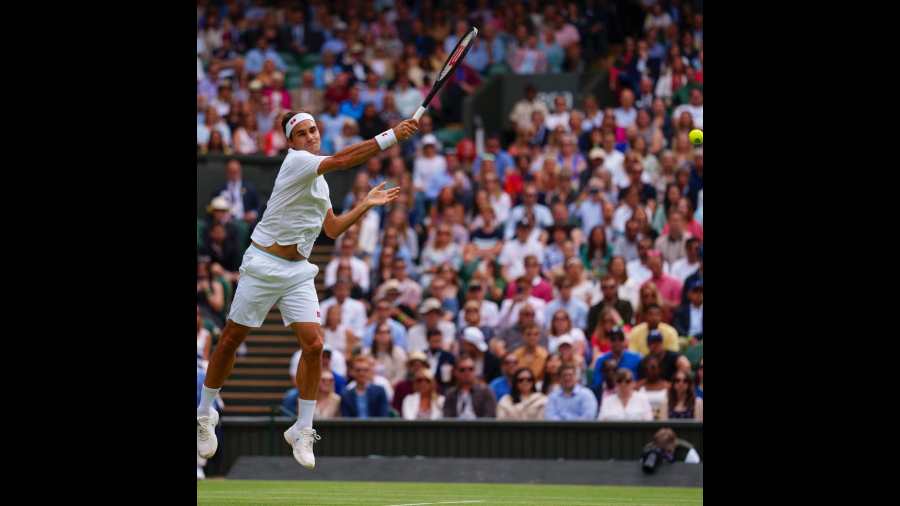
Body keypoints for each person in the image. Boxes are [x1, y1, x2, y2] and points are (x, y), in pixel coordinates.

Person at [197, 110, 419, 469]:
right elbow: (346, 159)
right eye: (302, 133)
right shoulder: (298, 162)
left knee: (314, 344)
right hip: (263, 265)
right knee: (230, 339)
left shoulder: (319, 181)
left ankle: (302, 428)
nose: (311, 136)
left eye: (314, 130)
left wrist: (364, 205)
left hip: (298, 269)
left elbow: (330, 229)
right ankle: (205, 413)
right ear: (291, 142)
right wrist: (392, 135)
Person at [211, 159, 261, 226]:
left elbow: (258, 206)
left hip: (245, 222)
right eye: (231, 172)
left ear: (240, 172)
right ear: (227, 172)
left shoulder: (249, 188)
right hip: (225, 224)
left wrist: (253, 213)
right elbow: (213, 207)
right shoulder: (219, 189)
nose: (234, 175)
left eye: (236, 172)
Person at [424, 328, 457, 393]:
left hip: (442, 389)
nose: (437, 344)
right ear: (428, 340)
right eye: (434, 341)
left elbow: (452, 379)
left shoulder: (449, 357)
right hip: (424, 387)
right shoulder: (422, 356)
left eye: (438, 341)